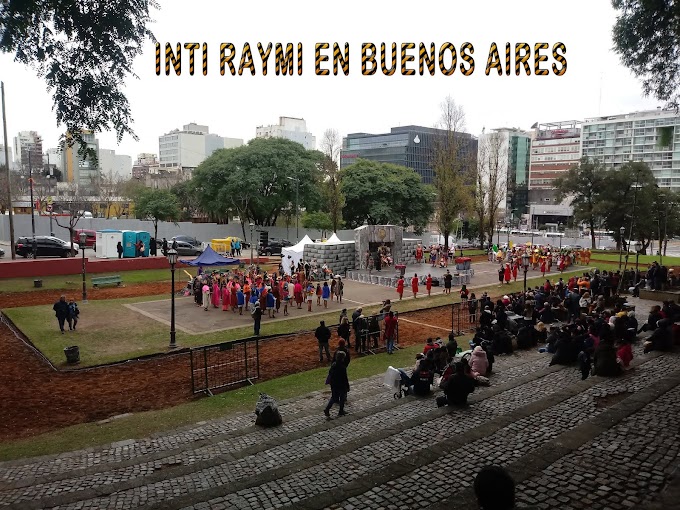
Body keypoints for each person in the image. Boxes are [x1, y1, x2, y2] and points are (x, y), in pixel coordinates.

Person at [324, 350, 349, 418]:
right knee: (342, 397)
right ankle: (341, 410)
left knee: (334, 397)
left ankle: (327, 409)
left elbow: (330, 373)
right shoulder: (343, 367)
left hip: (334, 384)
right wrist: (347, 386)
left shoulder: (333, 364)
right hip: (341, 384)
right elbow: (345, 378)